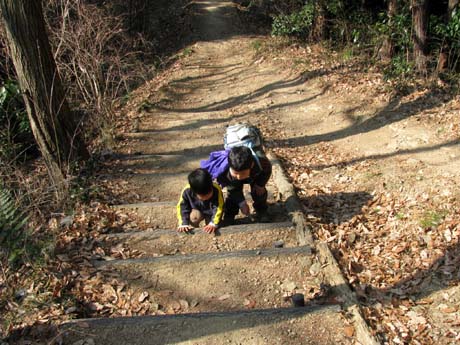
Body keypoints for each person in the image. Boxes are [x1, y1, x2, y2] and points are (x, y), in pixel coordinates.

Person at [216, 146, 272, 225]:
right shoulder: (225, 170)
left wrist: (260, 184)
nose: (239, 177)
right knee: (233, 195)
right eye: (236, 173)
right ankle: (229, 215)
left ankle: (262, 210)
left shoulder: (261, 161)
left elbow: (267, 170)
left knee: (259, 191)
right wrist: (242, 203)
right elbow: (233, 189)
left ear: (252, 165)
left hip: (254, 175)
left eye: (242, 173)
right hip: (234, 180)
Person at [176, 168, 224, 234]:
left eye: (208, 194)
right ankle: (195, 229)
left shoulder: (216, 189)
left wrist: (213, 223)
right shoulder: (187, 191)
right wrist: (183, 223)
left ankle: (209, 223)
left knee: (212, 228)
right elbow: (182, 207)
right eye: (203, 196)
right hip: (196, 210)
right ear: (194, 192)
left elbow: (219, 207)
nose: (206, 197)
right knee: (194, 217)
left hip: (211, 211)